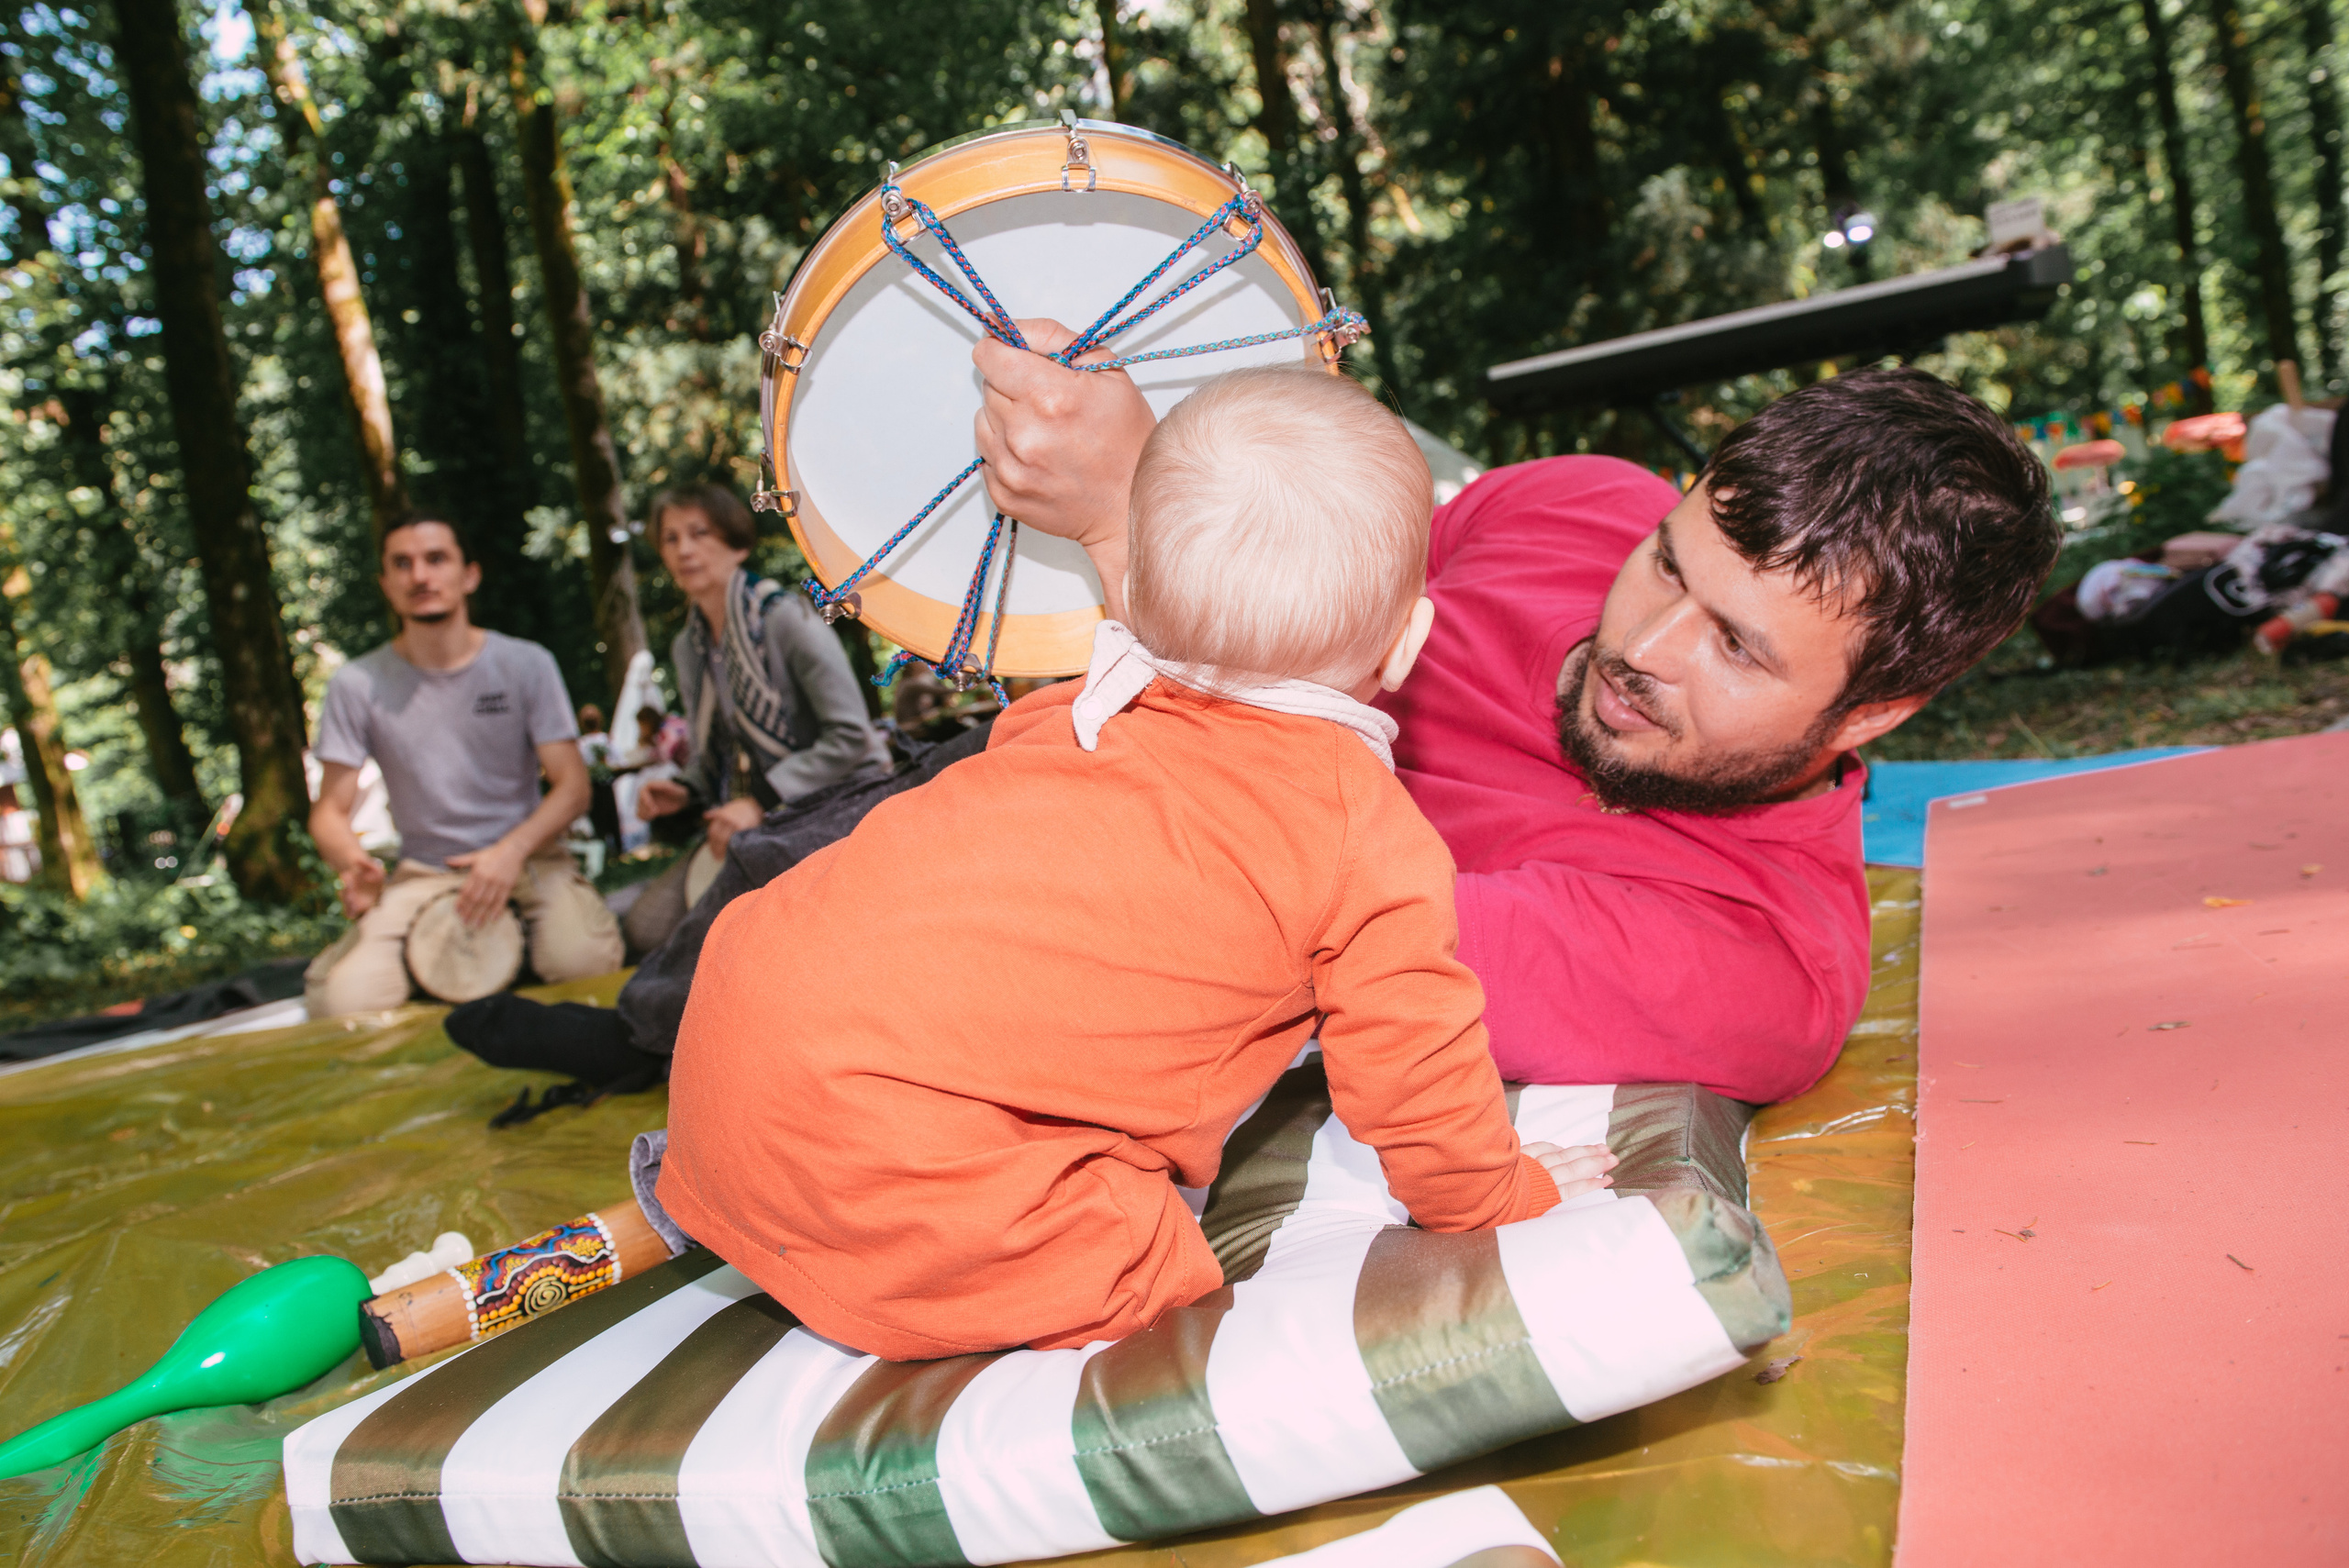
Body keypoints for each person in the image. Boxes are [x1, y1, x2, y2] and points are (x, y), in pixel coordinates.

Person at [452, 346, 2055, 1109]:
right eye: (1668, 562)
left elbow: (1269, 907)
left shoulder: (1751, 965)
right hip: (1144, 751)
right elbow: (1336, 540)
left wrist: (1126, 527)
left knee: (858, 943)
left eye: (1733, 646)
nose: (1633, 641)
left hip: (1176, 889)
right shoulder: (1580, 500)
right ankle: (649, 1028)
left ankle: (653, 1047)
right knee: (807, 862)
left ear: (1879, 710)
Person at [655, 368, 1609, 1359]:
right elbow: (1416, 1073)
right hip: (894, 1173)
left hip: (724, 1058)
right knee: (1144, 1247)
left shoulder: (1066, 711)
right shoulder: (1363, 833)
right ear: (1410, 639)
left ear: (1135, 585)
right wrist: (1497, 1192)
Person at [306, 515, 623, 1017]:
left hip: (529, 859)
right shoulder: (357, 684)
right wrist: (353, 864)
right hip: (423, 872)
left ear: (469, 575)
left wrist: (510, 852)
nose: (420, 576)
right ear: (386, 585)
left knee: (587, 962)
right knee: (343, 1003)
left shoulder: (525, 664)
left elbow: (572, 786)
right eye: (402, 564)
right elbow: (328, 812)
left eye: (436, 559)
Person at [617, 484, 890, 954]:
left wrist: (761, 800)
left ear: (737, 542)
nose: (684, 549)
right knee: (646, 929)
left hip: (840, 797)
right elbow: (710, 760)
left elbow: (851, 736)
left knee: (740, 938)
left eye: (699, 533)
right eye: (670, 539)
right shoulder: (689, 647)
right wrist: (681, 791)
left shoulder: (783, 615)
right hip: (756, 817)